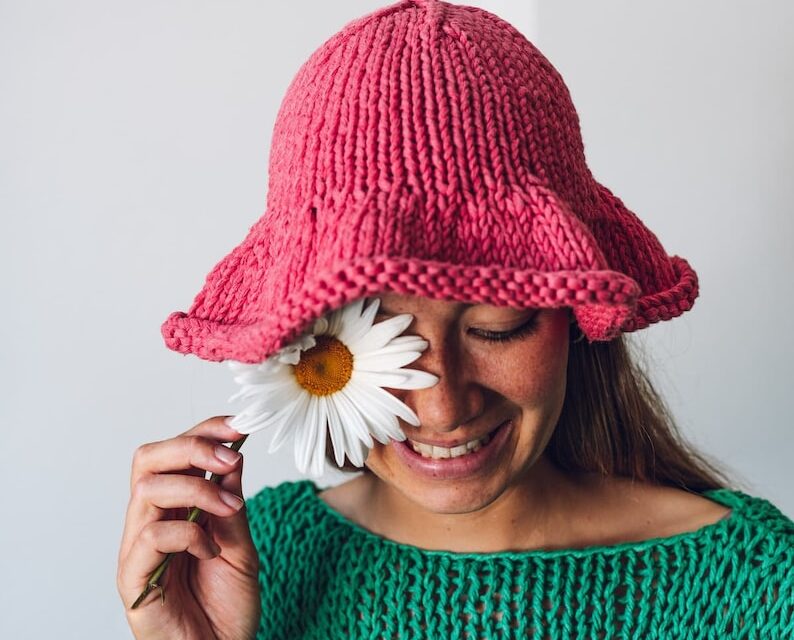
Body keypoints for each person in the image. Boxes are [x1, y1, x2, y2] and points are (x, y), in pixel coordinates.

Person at [117, 1, 793, 638]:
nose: (442, 406)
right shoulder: (250, 558)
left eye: (498, 327)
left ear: (574, 317)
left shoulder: (750, 587)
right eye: (385, 340)